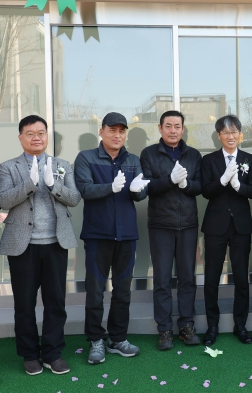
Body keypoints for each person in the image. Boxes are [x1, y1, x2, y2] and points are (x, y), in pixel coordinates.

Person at [0, 115, 81, 375]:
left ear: (47, 136)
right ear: (20, 137)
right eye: (30, 133)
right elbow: (3, 200)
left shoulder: (62, 165)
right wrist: (29, 184)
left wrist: (54, 185)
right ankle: (30, 354)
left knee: (56, 302)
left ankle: (53, 353)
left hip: (56, 243)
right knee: (24, 304)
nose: (36, 137)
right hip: (22, 245)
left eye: (41, 132)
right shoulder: (7, 167)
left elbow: (74, 198)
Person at [74, 112, 149, 365]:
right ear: (102, 131)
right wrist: (111, 188)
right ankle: (96, 339)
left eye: (122, 131)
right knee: (95, 291)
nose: (117, 135)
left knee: (122, 291)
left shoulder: (133, 160)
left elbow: (141, 194)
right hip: (98, 235)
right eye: (112, 130)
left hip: (126, 234)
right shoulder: (86, 158)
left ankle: (118, 339)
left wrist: (137, 191)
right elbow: (84, 189)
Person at [140, 111, 203, 351]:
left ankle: (186, 325)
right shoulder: (149, 154)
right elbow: (147, 187)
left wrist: (186, 184)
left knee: (187, 278)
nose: (173, 130)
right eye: (168, 126)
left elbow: (200, 186)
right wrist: (170, 180)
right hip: (161, 225)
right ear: (160, 128)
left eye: (177, 126)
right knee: (162, 279)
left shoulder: (193, 155)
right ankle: (164, 329)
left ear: (183, 129)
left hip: (188, 224)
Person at [200, 115, 252, 346]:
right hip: (215, 226)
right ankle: (212, 326)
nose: (230, 136)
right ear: (219, 136)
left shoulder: (249, 160)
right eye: (225, 132)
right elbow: (206, 191)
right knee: (211, 278)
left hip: (241, 226)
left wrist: (238, 186)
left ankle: (240, 325)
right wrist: (223, 180)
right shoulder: (209, 160)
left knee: (241, 278)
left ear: (240, 134)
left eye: (234, 131)